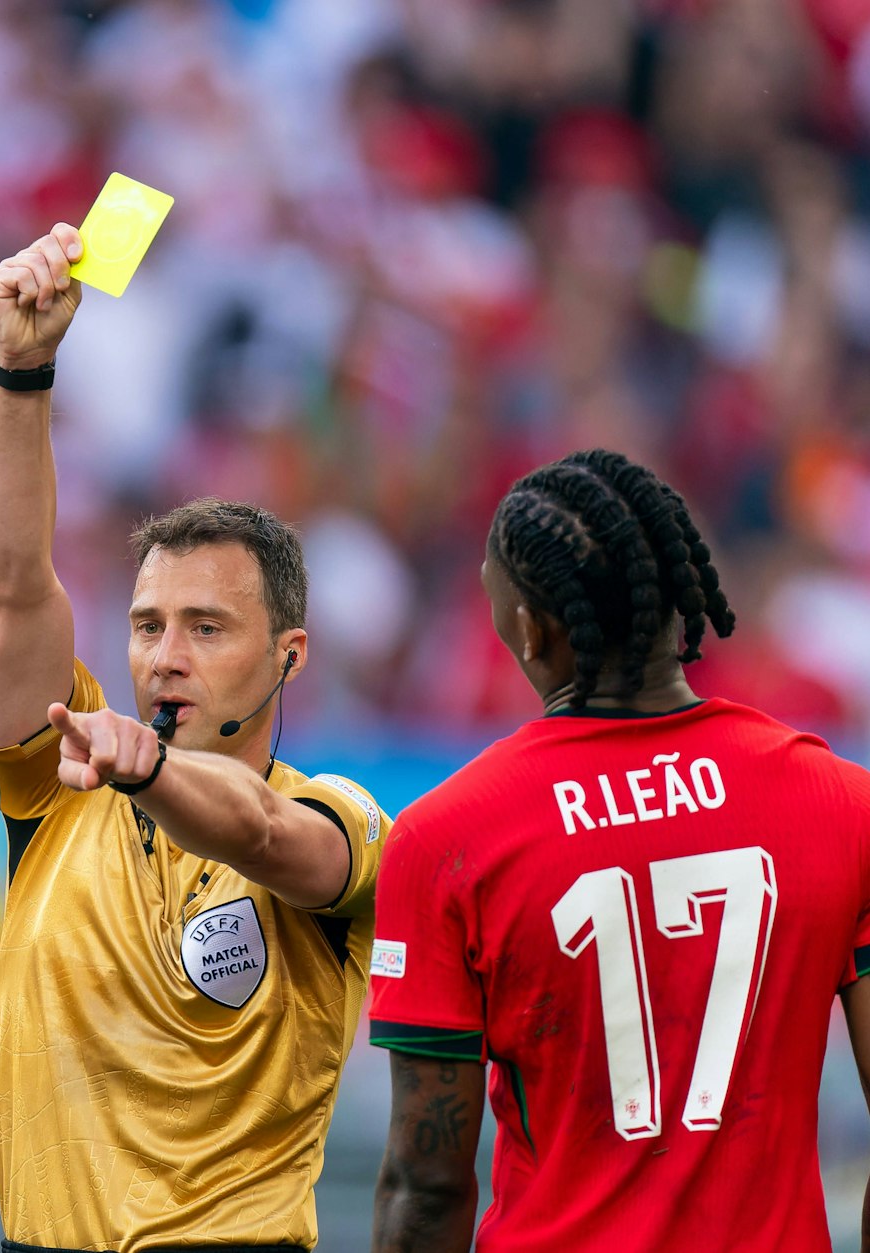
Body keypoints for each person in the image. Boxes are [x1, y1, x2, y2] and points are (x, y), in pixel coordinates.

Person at [0, 224, 392, 1252]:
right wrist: (20, 372)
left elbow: (259, 834)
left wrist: (152, 768)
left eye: (206, 628)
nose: (165, 655)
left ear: (288, 655)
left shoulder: (338, 817)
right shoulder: (56, 780)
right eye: (147, 625)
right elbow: (12, 588)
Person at [368, 448, 870, 1250]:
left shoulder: (448, 837)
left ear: (528, 628)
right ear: (678, 598)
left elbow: (426, 1183)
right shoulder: (843, 803)